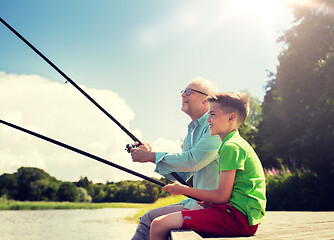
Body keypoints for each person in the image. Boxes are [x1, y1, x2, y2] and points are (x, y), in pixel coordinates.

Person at [150, 92, 266, 240]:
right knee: (161, 223)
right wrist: (210, 202)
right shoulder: (234, 143)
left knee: (159, 224)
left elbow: (221, 196)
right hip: (237, 215)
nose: (208, 120)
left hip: (237, 219)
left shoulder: (231, 146)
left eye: (212, 115)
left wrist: (183, 190)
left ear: (231, 117)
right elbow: (227, 195)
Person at [130, 77, 222, 240]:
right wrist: (152, 156)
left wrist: (152, 157)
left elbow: (193, 160)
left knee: (149, 220)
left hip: (212, 205)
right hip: (196, 203)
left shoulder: (215, 126)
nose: (183, 95)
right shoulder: (192, 132)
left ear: (206, 100)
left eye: (188, 92)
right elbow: (183, 174)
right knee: (148, 218)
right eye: (183, 92)